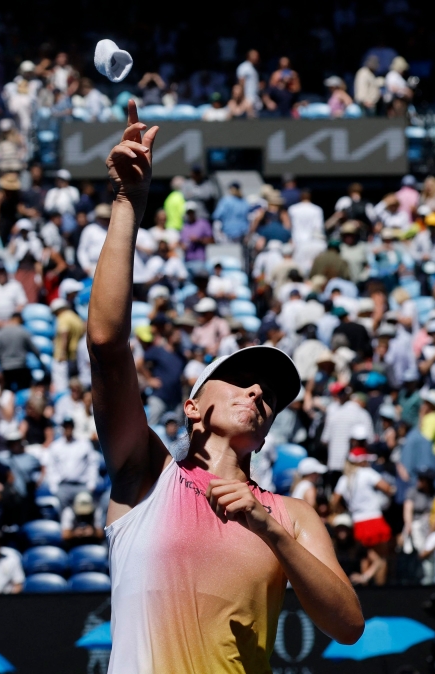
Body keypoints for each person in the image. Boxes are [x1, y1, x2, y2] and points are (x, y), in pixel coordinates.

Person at [87, 101, 364, 670]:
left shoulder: (290, 515)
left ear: (264, 438)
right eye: (239, 380)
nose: (258, 394)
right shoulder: (145, 476)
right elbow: (107, 344)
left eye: (270, 395)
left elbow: (348, 626)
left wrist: (271, 531)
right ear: (193, 407)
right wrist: (127, 205)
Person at [331, 441, 395, 586]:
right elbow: (387, 488)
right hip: (374, 518)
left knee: (365, 558)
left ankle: (365, 590)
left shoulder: (344, 478)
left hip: (357, 522)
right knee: (381, 558)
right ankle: (380, 590)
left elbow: (334, 500)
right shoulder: (367, 473)